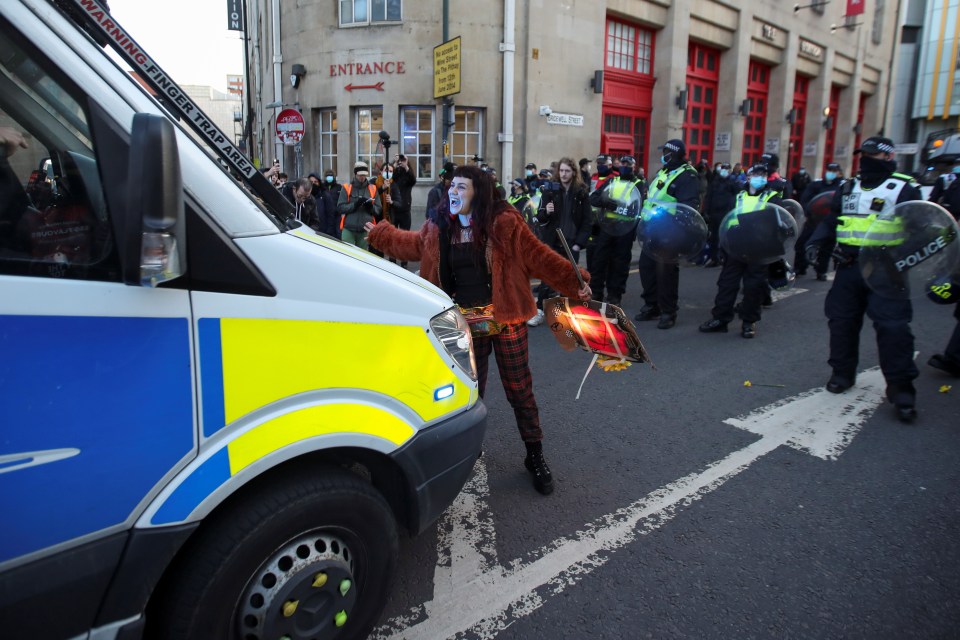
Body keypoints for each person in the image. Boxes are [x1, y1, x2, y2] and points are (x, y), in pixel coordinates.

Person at [364, 165, 592, 495]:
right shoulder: (438, 226)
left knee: (519, 390)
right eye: (452, 187)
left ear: (479, 192)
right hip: (463, 325)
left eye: (462, 187)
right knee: (470, 394)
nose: (454, 193)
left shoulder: (505, 222)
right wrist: (380, 234)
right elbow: (412, 244)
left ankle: (534, 455)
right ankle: (469, 451)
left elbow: (539, 257)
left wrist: (575, 282)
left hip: (506, 319)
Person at [805, 136, 923, 423]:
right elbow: (833, 220)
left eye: (872, 154)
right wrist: (817, 242)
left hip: (886, 270)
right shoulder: (848, 187)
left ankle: (901, 390)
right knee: (841, 321)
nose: (865, 158)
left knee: (893, 328)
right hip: (849, 267)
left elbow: (919, 228)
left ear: (888, 156)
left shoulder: (905, 188)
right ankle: (842, 373)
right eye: (863, 153)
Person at [699, 163, 783, 339]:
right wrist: (725, 244)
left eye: (763, 174)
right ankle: (721, 319)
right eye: (756, 173)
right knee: (726, 284)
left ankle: (748, 322)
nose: (760, 177)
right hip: (736, 247)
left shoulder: (773, 197)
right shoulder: (738, 196)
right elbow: (728, 220)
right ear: (749, 176)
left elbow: (777, 223)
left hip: (759, 249)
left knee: (753, 287)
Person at [634, 139, 700, 329]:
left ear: (672, 153)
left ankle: (668, 311)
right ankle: (651, 304)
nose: (662, 155)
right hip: (651, 229)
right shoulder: (663, 172)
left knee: (666, 273)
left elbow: (687, 208)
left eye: (664, 151)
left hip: (669, 232)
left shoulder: (687, 176)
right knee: (647, 268)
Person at [527, 157, 593, 326]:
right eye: (561, 171)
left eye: (567, 171)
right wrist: (546, 211)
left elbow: (587, 220)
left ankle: (569, 312)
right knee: (547, 276)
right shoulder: (550, 190)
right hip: (553, 239)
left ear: (573, 172)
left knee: (572, 278)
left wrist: (580, 243)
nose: (563, 174)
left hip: (571, 241)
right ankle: (539, 311)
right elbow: (539, 218)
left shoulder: (581, 192)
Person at [588, 155, 645, 307]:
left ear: (633, 166)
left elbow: (639, 206)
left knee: (620, 264)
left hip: (625, 229)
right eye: (623, 163)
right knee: (599, 261)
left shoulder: (639, 184)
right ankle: (596, 293)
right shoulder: (612, 181)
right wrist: (606, 202)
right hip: (607, 227)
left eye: (628, 164)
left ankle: (615, 295)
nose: (625, 166)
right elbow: (593, 198)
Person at [795, 162, 843, 279]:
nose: (831, 173)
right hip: (813, 220)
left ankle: (821, 271)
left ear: (839, 173)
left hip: (831, 222)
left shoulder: (842, 187)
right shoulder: (816, 185)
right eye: (829, 170)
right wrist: (808, 211)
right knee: (802, 243)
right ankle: (800, 267)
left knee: (826, 247)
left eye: (834, 171)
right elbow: (806, 199)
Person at [702, 162, 739, 267]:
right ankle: (714, 258)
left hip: (726, 213)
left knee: (725, 237)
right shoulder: (715, 181)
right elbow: (708, 197)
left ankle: (725, 258)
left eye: (727, 169)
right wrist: (706, 211)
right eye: (723, 168)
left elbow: (737, 196)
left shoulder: (733, 182)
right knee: (714, 237)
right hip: (714, 213)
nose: (724, 170)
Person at [337, 161, 381, 250]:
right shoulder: (346, 188)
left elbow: (378, 210)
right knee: (347, 254)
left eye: (364, 175)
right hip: (348, 228)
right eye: (360, 175)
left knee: (363, 258)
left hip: (365, 230)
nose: (362, 177)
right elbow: (340, 208)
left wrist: (370, 207)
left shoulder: (373, 188)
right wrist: (355, 205)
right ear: (355, 174)